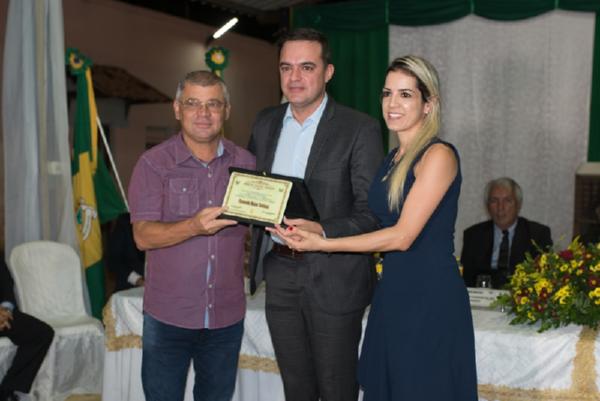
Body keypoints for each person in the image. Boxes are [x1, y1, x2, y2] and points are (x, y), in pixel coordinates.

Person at [271, 55, 478, 401]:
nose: (392, 104)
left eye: (406, 95)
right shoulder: (392, 159)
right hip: (393, 291)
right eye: (387, 93)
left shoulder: (438, 155)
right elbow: (374, 222)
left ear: (429, 104)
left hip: (429, 295)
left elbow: (402, 236)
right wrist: (319, 228)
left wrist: (323, 245)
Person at [247, 28, 383, 401]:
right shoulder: (265, 122)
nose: (294, 77)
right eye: (286, 67)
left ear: (328, 72)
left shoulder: (360, 128)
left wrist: (321, 229)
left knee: (337, 389)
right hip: (279, 271)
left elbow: (372, 214)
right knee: (296, 389)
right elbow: (254, 190)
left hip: (335, 277)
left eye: (307, 67)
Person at [128, 70, 255, 401]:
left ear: (226, 110)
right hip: (169, 317)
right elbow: (143, 236)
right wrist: (193, 227)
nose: (203, 113)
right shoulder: (153, 164)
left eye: (213, 104)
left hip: (226, 317)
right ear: (177, 109)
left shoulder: (246, 163)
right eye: (193, 103)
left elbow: (257, 226)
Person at [461, 177, 553, 289]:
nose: (500, 207)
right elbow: (466, 280)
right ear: (487, 206)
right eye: (494, 201)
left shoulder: (538, 234)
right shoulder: (473, 235)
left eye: (507, 201)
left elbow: (543, 277)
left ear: (518, 205)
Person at [0, 256, 54, 401]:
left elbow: (6, 284)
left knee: (42, 333)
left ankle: (7, 389)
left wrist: (5, 310)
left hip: (3, 315)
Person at [107, 213, 145, 292]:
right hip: (130, 287)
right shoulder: (125, 222)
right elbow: (113, 260)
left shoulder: (166, 222)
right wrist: (137, 280)